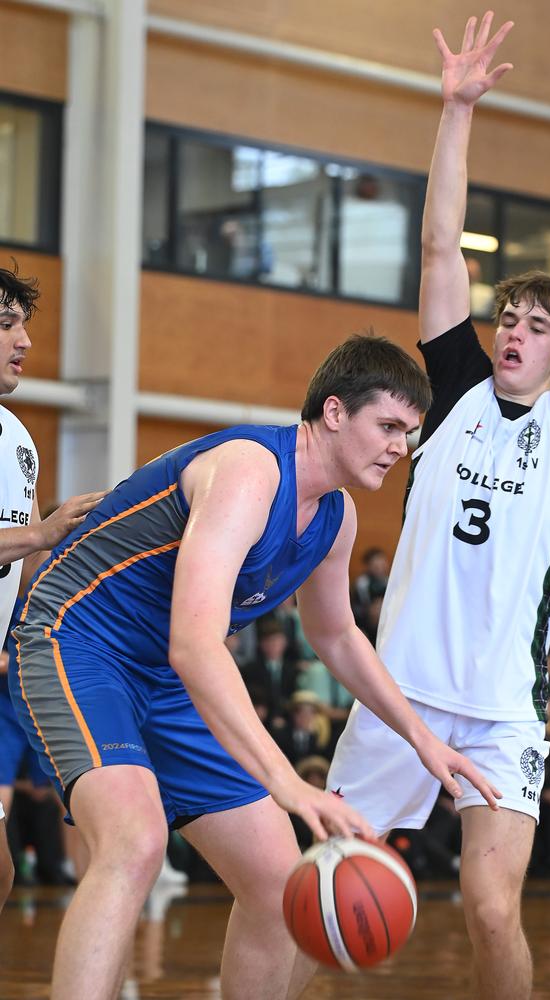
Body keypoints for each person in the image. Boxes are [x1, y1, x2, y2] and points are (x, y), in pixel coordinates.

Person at [10, 332, 499, 1000]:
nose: (400, 446)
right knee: (134, 841)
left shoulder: (336, 517)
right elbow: (196, 643)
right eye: (388, 425)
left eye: (408, 432)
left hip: (168, 674)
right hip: (76, 641)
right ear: (333, 412)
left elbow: (337, 636)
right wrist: (289, 783)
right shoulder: (249, 471)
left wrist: (423, 739)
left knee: (277, 884)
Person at [328, 12, 550, 999]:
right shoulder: (458, 384)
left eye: (533, 323)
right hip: (399, 693)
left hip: (500, 710)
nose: (511, 328)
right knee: (324, 888)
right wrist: (453, 110)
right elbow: (436, 248)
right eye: (506, 314)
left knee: (487, 905)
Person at [0, 265, 104, 913]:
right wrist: (41, 534)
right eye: (7, 324)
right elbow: (28, 539)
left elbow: (25, 557)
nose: (25, 340)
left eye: (24, 325)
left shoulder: (18, 440)